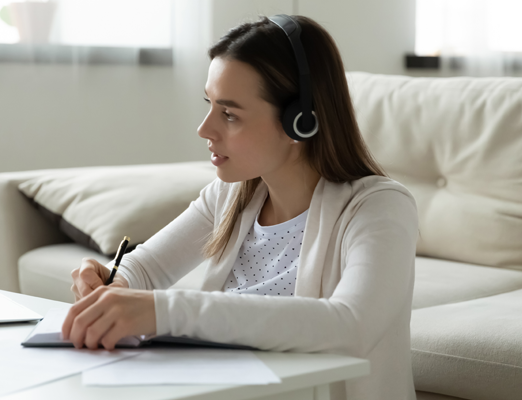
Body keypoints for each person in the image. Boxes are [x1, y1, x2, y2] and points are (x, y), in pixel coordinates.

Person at [62, 14, 418, 400]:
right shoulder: (231, 196)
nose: (204, 129)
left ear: (300, 121)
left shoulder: (378, 207)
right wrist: (110, 280)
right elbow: (146, 268)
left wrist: (162, 310)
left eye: (229, 114)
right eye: (210, 105)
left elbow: (352, 324)